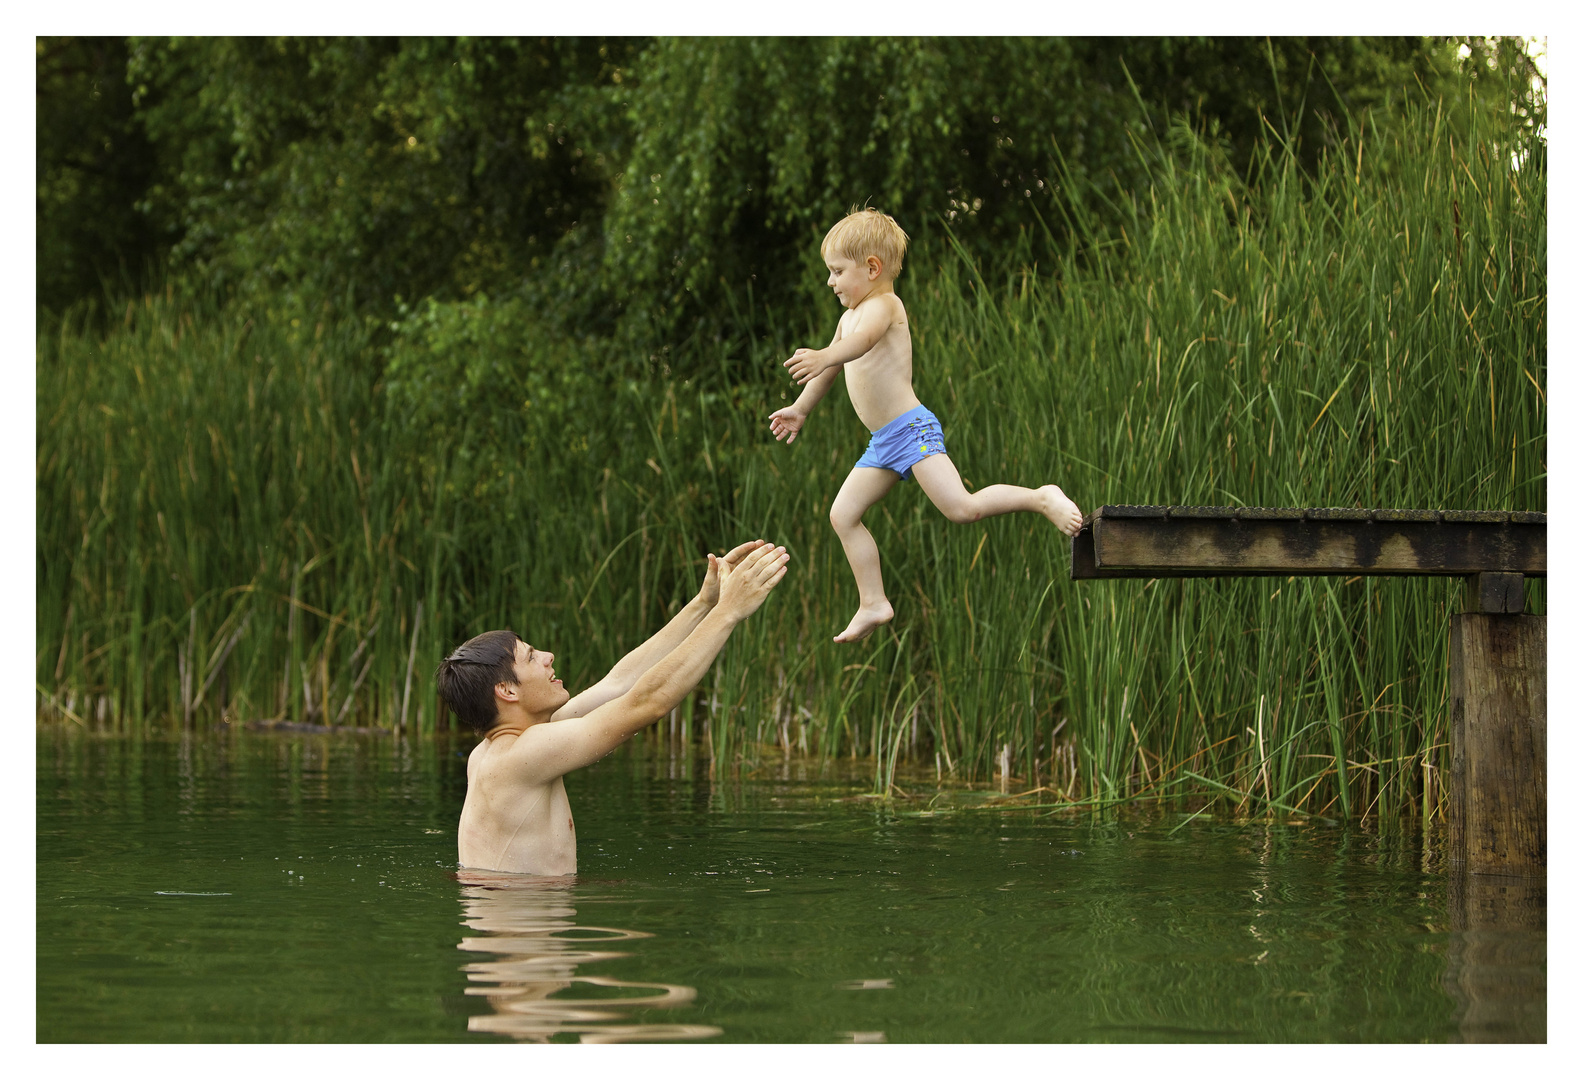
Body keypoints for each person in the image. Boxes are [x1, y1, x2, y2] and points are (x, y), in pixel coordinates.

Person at [767, 207, 1084, 643]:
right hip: (882, 442)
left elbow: (861, 345)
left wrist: (824, 353)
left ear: (872, 268)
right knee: (842, 515)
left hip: (911, 431)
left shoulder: (885, 306)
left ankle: (1041, 497)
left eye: (837, 271)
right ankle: (873, 601)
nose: (830, 282)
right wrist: (801, 408)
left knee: (962, 509)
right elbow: (830, 371)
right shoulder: (845, 319)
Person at [438, 539, 789, 875]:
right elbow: (648, 703)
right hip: (528, 924)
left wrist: (704, 604)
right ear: (507, 691)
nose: (548, 657)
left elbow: (619, 683)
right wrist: (729, 613)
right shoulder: (522, 755)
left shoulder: (496, 752)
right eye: (531, 657)